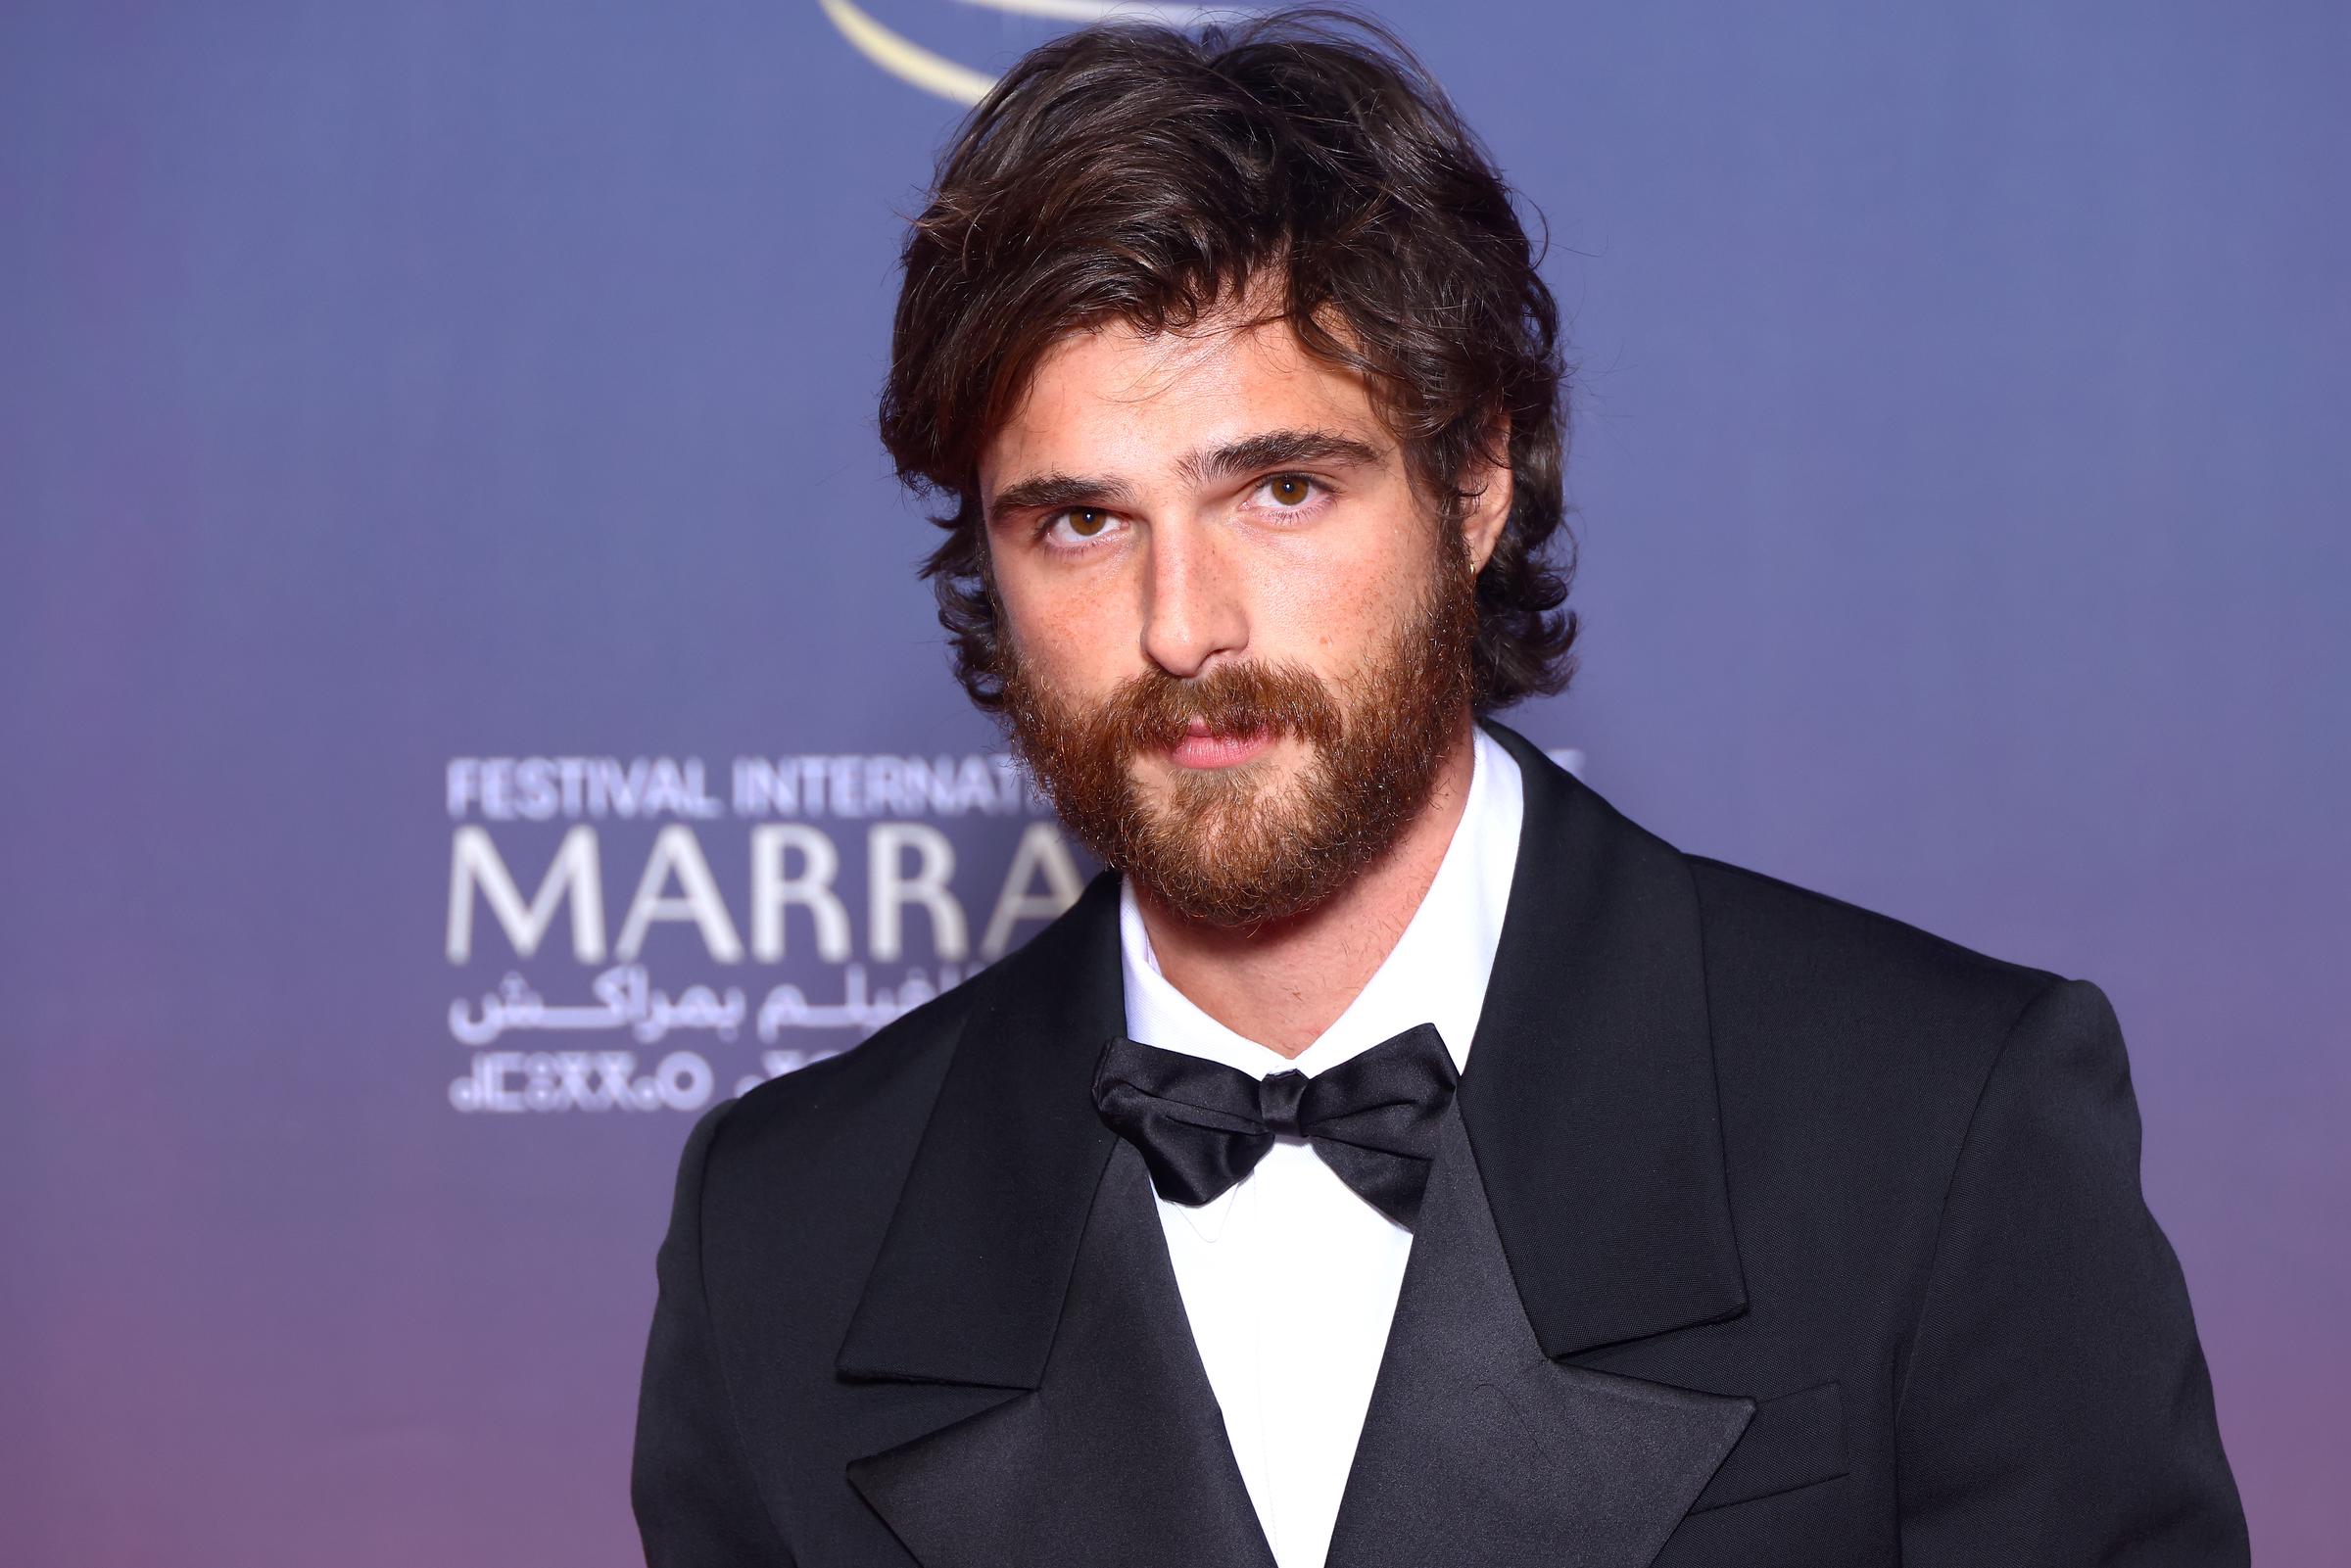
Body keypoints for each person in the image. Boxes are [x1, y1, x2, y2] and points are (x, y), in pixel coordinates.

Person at [631, 13, 2246, 1565]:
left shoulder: (1935, 1129)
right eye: (1079, 522)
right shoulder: (784, 1239)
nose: (1183, 626)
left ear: (1474, 484)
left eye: (1279, 488)